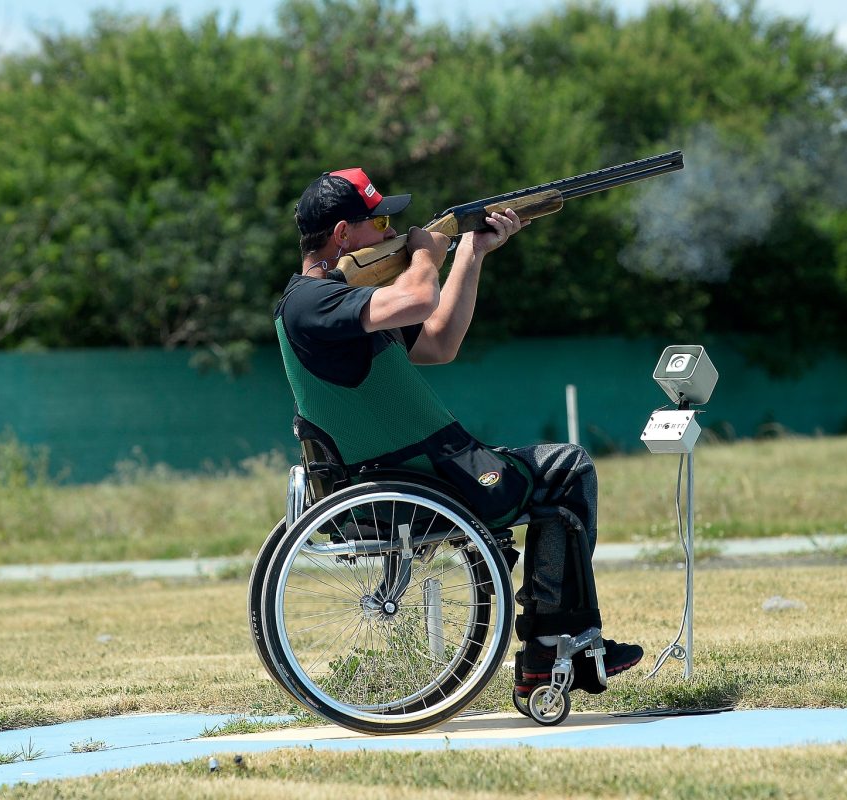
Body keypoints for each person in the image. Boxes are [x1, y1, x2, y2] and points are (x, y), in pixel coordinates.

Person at [273, 168, 643, 699]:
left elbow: (439, 341)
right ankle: (557, 650)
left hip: (421, 469)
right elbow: (420, 299)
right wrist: (427, 252)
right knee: (568, 470)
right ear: (342, 236)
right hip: (423, 474)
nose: (389, 233)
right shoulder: (316, 302)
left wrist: (472, 251)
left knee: (557, 478)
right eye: (379, 223)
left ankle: (557, 649)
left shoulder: (341, 304)